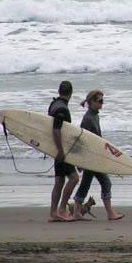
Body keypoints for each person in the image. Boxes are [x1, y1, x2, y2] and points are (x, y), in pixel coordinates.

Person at [72, 89, 125, 221]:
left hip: (95, 156)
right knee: (106, 183)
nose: (102, 103)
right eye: (99, 101)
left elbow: (98, 139)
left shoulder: (94, 115)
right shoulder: (88, 119)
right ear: (91, 102)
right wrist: (80, 161)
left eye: (103, 101)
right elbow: (81, 140)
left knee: (85, 183)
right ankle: (110, 213)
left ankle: (76, 212)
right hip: (92, 158)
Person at [47, 80, 79, 222]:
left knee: (59, 181)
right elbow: (56, 130)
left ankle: (54, 212)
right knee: (74, 178)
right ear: (71, 93)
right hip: (61, 149)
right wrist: (61, 150)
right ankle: (61, 210)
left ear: (59, 91)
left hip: (56, 148)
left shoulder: (54, 104)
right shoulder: (61, 109)